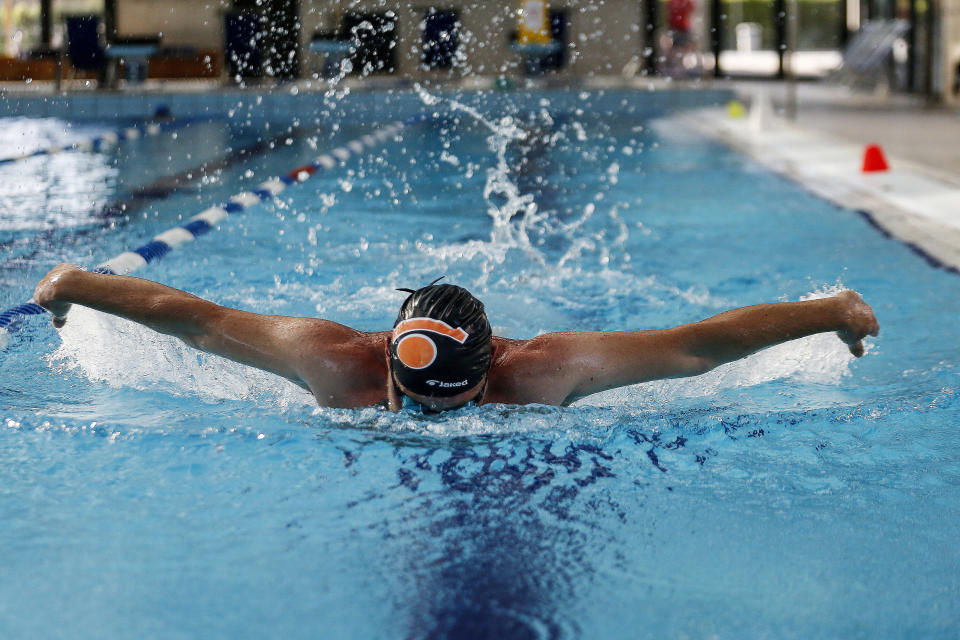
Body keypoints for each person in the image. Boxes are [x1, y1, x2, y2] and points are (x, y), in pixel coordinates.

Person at [33, 263, 879, 413]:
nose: (429, 419)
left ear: (494, 362)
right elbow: (197, 320)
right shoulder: (330, 361)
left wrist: (831, 311)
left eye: (454, 401)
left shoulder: (549, 372)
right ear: (386, 362)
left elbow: (698, 347)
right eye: (412, 399)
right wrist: (79, 287)